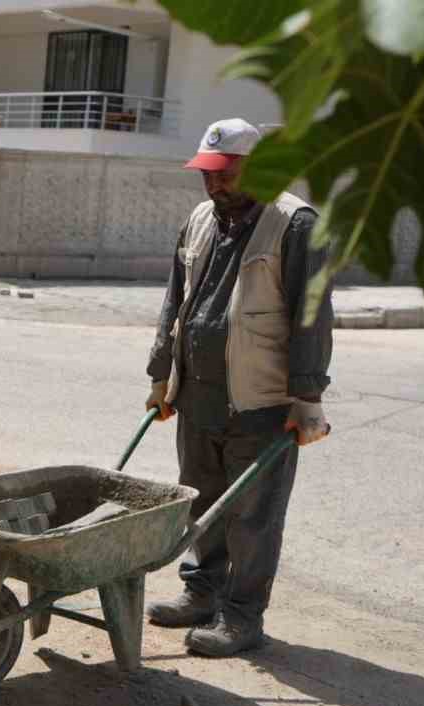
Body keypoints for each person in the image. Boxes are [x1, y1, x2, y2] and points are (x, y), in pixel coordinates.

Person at [143, 118, 334, 658]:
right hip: (198, 394)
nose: (215, 184)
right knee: (201, 500)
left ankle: (243, 617)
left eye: (227, 174)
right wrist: (162, 375)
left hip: (261, 400)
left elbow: (312, 317)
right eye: (208, 173)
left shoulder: (296, 225)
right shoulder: (201, 219)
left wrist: (307, 398)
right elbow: (175, 303)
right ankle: (202, 593)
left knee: (253, 514)